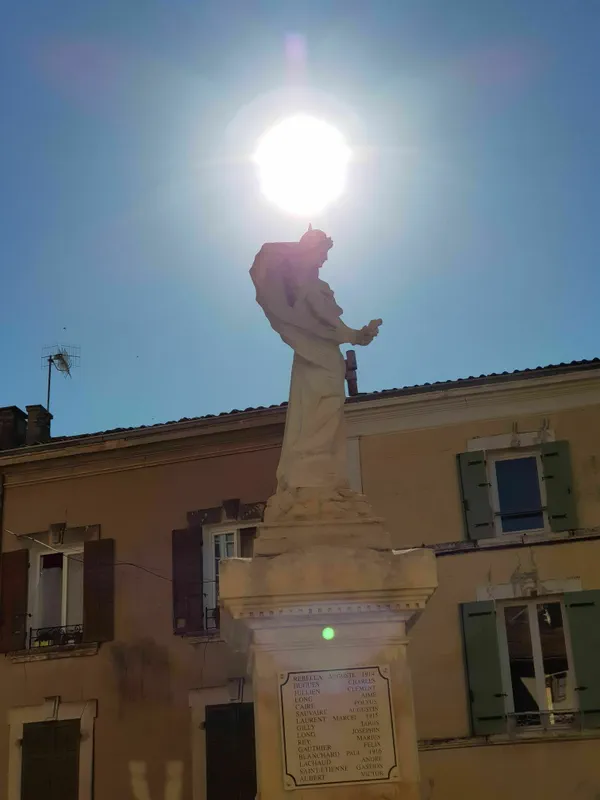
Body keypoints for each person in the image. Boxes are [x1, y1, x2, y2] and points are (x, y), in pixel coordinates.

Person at [250, 227, 382, 522]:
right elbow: (329, 324)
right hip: (319, 358)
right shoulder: (307, 286)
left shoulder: (309, 286)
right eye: (323, 252)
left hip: (317, 356)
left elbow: (329, 324)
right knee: (324, 406)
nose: (324, 259)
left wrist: (356, 335)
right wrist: (357, 336)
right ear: (310, 250)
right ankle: (312, 465)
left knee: (318, 409)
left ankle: (315, 465)